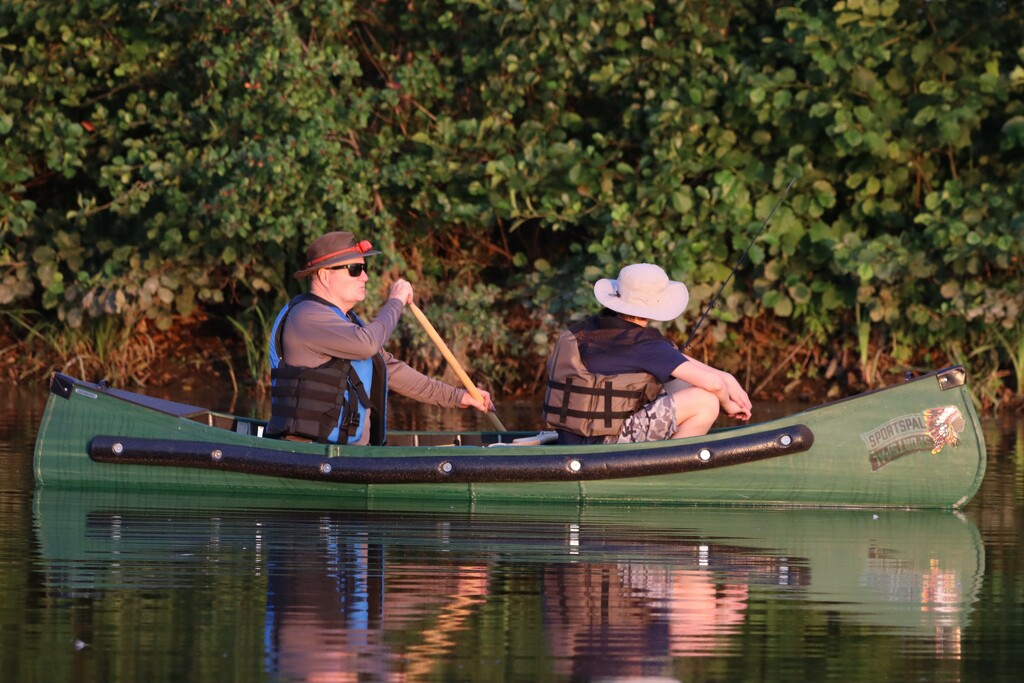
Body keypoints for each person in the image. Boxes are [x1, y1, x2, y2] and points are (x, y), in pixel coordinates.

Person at [266, 231, 494, 445]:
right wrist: (395, 301)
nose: (364, 276)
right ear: (325, 275)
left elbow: (390, 369)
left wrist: (458, 396)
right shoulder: (307, 316)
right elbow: (368, 345)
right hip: (312, 451)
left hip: (347, 452)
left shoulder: (346, 321)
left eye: (365, 268)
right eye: (355, 269)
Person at [541, 263, 751, 445]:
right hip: (604, 444)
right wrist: (727, 403)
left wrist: (727, 378)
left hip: (572, 439)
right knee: (706, 401)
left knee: (680, 383)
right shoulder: (645, 344)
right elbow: (712, 384)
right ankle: (670, 468)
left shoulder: (588, 330)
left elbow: (680, 362)